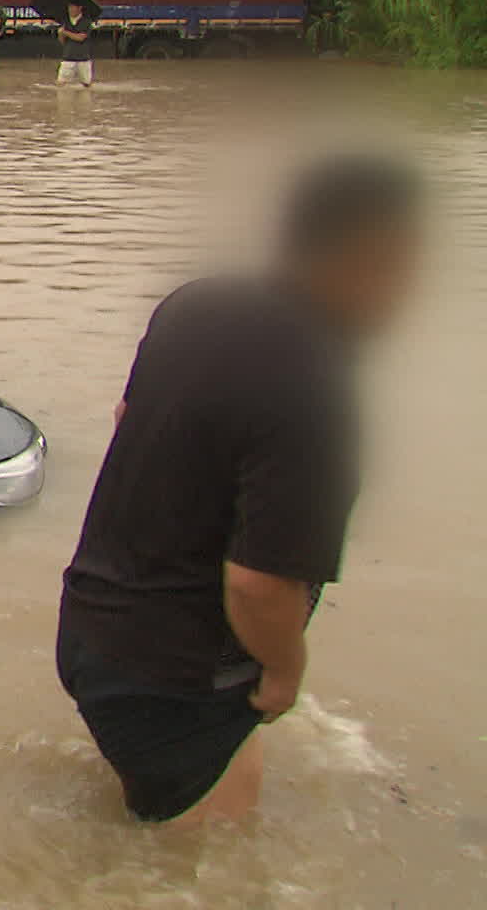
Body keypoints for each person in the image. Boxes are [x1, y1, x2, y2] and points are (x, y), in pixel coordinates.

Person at [57, 155, 425, 825]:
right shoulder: (319, 387)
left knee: (139, 818)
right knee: (205, 864)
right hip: (175, 678)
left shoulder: (197, 301)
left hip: (88, 628)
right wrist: (285, 676)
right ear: (372, 261)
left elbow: (126, 420)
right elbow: (258, 587)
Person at [57, 1, 93, 86]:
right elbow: (62, 41)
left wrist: (66, 33)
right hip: (68, 57)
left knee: (86, 85)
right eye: (69, 7)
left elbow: (80, 38)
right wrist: (60, 34)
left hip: (83, 58)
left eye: (73, 7)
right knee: (61, 84)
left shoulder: (86, 21)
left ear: (79, 8)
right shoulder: (65, 21)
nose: (70, 10)